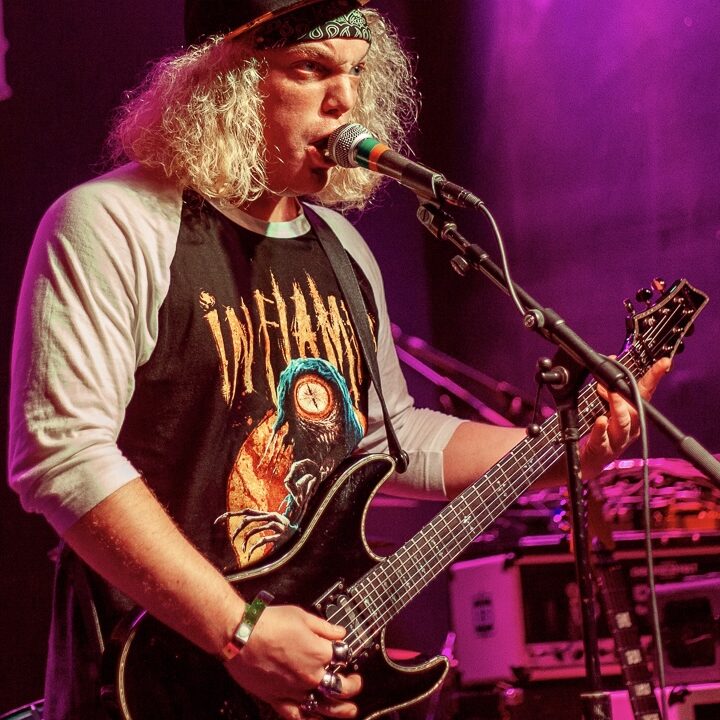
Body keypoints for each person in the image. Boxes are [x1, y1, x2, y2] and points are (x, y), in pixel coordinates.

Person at [8, 1, 669, 719]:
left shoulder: (341, 250)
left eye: (355, 71)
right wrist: (239, 631)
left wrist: (560, 449)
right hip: (147, 678)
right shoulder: (114, 224)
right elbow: (64, 454)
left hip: (298, 679)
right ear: (223, 84)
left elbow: (389, 438)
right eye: (312, 68)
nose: (346, 99)